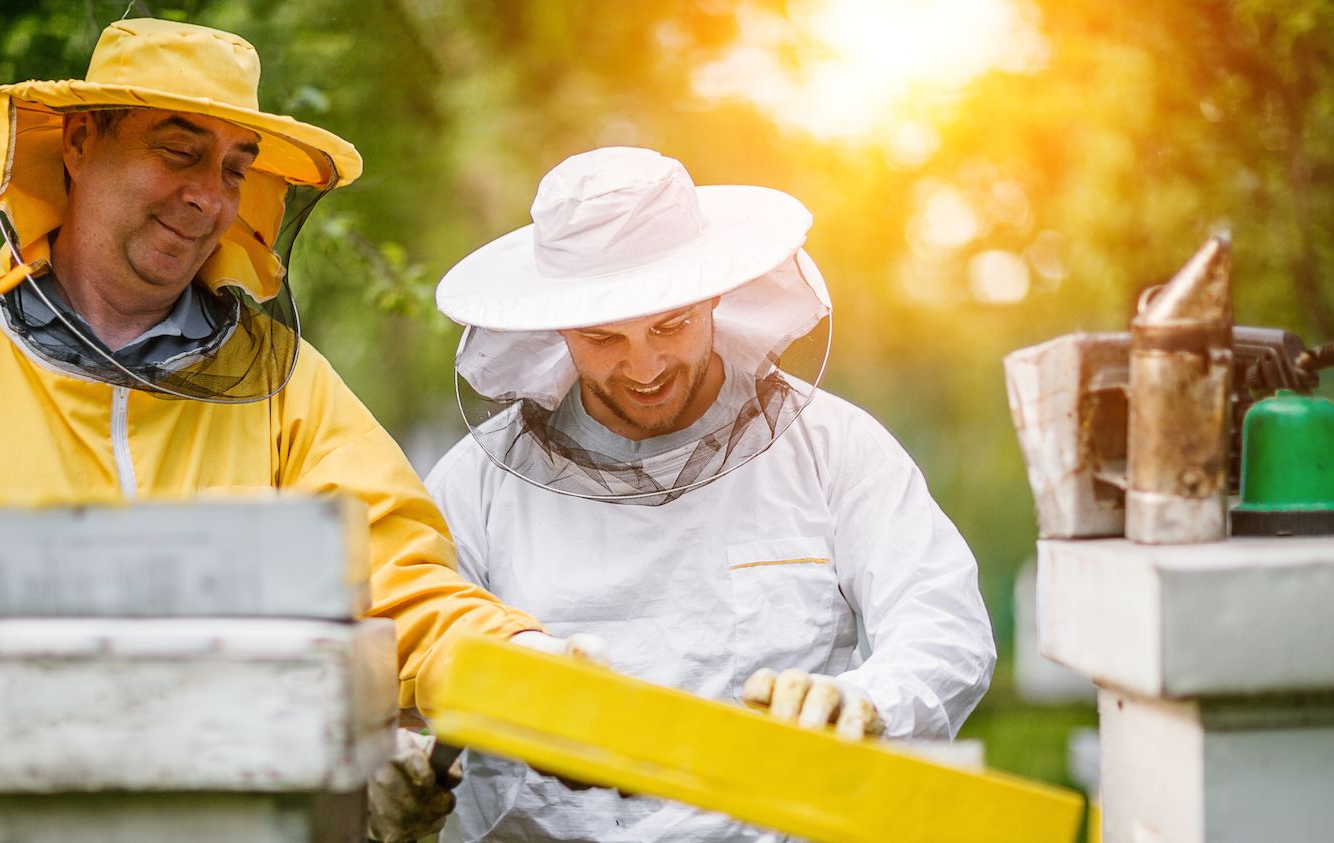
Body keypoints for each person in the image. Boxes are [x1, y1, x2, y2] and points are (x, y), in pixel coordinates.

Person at [0, 18, 585, 842]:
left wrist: (517, 663)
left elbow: (398, 584)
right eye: (180, 152)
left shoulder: (285, 385)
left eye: (233, 168)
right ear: (81, 142)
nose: (210, 198)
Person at [424, 146, 998, 841]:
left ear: (714, 295)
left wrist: (864, 701)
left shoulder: (834, 447)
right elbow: (421, 653)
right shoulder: (473, 488)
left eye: (671, 324)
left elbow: (943, 625)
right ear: (555, 327)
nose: (644, 366)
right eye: (603, 337)